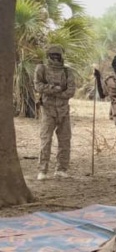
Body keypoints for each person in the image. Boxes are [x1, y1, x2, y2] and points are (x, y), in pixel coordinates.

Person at [34, 45, 76, 181]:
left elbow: (71, 91)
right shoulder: (41, 69)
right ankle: (42, 170)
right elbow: (38, 86)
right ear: (48, 56)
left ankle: (61, 169)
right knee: (45, 140)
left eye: (58, 55)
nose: (55, 58)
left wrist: (55, 92)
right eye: (53, 55)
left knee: (65, 140)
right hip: (48, 109)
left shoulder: (67, 71)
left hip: (64, 110)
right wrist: (55, 89)